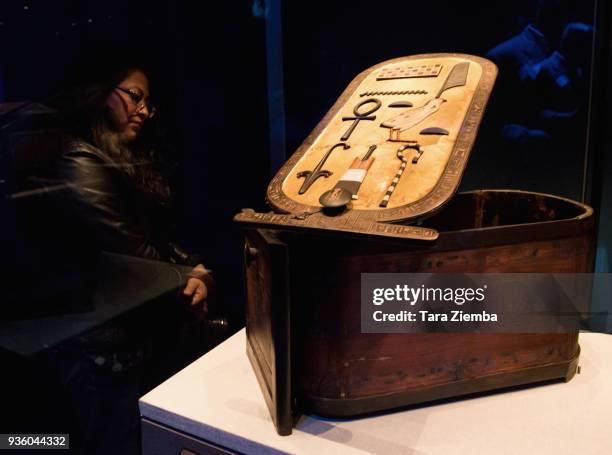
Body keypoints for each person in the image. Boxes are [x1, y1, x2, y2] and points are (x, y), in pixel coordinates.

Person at [10, 54, 215, 455]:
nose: (144, 110)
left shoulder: (105, 155)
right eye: (135, 96)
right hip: (92, 342)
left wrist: (193, 268)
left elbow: (152, 233)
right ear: (99, 92)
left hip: (117, 331)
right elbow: (133, 250)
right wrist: (190, 278)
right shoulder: (76, 157)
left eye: (147, 101)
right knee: (107, 443)